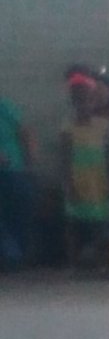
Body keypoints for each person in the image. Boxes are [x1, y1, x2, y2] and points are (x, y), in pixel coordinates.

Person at [60, 69, 109, 268]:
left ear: (93, 102)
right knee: (74, 223)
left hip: (99, 181)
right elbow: (65, 160)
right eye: (78, 101)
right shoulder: (68, 129)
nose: (83, 105)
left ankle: (101, 261)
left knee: (100, 223)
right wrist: (68, 185)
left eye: (87, 101)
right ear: (73, 103)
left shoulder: (104, 126)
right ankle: (73, 263)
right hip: (78, 180)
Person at [0, 90, 36, 269]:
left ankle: (15, 256)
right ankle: (11, 256)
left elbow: (24, 132)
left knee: (18, 212)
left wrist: (29, 161)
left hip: (14, 169)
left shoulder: (5, 107)